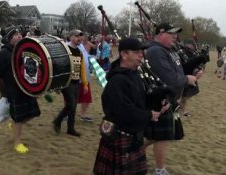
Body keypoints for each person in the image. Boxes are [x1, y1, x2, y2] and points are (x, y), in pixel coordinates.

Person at [93, 38, 162, 175]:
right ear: (124, 55)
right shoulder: (117, 81)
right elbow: (123, 112)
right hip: (120, 136)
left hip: (134, 135)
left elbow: (139, 99)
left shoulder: (134, 74)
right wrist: (149, 115)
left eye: (141, 51)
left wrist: (157, 102)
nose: (141, 55)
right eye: (137, 52)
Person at [144, 23, 197, 175]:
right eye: (171, 33)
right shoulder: (155, 51)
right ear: (161, 34)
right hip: (161, 99)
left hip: (171, 98)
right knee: (163, 136)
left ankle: (135, 150)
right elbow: (167, 77)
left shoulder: (169, 50)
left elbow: (177, 71)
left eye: (176, 34)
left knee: (160, 135)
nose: (175, 36)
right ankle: (159, 170)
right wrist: (187, 79)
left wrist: (192, 71)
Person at [0, 25, 41, 154]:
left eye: (20, 34)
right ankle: (17, 143)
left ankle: (13, 125)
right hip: (12, 90)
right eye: (16, 34)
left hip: (26, 87)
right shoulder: (4, 52)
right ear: (9, 38)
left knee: (33, 113)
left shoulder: (23, 50)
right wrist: (1, 86)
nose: (19, 36)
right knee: (18, 118)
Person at [52, 29, 88, 137]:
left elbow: (82, 69)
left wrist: (85, 84)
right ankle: (58, 120)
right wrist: (57, 84)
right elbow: (58, 67)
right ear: (71, 37)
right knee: (71, 104)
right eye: (77, 36)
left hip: (76, 82)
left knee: (73, 106)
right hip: (66, 82)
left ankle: (70, 128)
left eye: (80, 37)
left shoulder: (80, 52)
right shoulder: (65, 50)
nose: (79, 39)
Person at [77, 36, 94, 122]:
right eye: (77, 37)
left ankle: (83, 114)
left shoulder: (82, 46)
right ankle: (67, 114)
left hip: (85, 77)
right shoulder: (69, 46)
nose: (80, 39)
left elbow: (86, 56)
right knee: (70, 97)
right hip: (75, 77)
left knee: (86, 97)